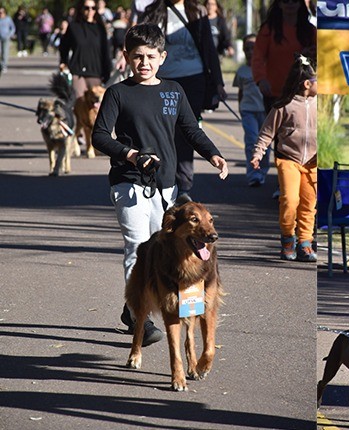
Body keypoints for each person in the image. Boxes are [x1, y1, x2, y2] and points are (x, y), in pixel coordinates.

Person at [91, 23, 229, 344]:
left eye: (151, 57)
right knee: (139, 247)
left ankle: (186, 313)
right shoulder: (118, 93)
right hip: (128, 183)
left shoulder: (173, 91)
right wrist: (130, 154)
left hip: (165, 185)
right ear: (126, 57)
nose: (144, 63)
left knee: (173, 247)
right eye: (137, 56)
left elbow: (190, 129)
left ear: (162, 57)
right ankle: (139, 312)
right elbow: (99, 136)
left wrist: (213, 154)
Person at [138, 0, 226, 198]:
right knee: (159, 130)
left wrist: (218, 82)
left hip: (193, 79)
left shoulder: (198, 12)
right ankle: (158, 179)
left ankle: (183, 186)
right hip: (161, 78)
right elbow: (139, 43)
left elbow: (209, 48)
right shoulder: (152, 13)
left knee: (187, 131)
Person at [250, 56, 317, 262]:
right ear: (307, 84)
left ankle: (305, 242)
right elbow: (266, 133)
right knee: (290, 200)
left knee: (309, 203)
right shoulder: (284, 106)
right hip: (288, 159)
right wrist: (258, 154)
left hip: (313, 163)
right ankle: (288, 238)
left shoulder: (320, 105)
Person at [252, 0, 316, 109]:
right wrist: (261, 79)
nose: (290, 4)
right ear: (279, 4)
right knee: (273, 126)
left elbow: (319, 57)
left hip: (301, 92)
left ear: (300, 4)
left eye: (294, 1)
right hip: (274, 92)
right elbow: (258, 57)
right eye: (286, 1)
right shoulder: (268, 30)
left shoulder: (310, 31)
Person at [234, 34, 269, 187]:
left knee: (264, 144)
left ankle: (262, 171)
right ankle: (253, 174)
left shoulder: (266, 68)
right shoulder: (241, 71)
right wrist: (240, 108)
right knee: (251, 141)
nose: (250, 51)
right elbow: (240, 92)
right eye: (247, 48)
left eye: (253, 48)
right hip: (248, 110)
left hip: (265, 111)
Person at [59, 0, 112, 100]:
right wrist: (63, 62)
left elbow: (106, 52)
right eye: (86, 8)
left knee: (94, 107)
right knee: (79, 102)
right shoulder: (74, 27)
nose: (90, 11)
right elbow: (64, 46)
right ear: (81, 9)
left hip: (96, 73)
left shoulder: (100, 29)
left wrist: (107, 73)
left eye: (93, 8)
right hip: (77, 72)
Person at [0, 8, 15, 78]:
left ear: (4, 12)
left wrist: (10, 35)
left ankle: (4, 65)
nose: (0, 13)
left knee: (5, 52)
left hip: (6, 37)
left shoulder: (8, 19)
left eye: (1, 12)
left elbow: (13, 28)